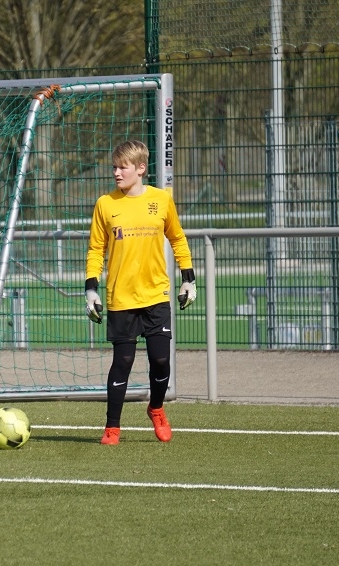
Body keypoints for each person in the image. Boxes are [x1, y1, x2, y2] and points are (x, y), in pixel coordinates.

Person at [84, 140, 196, 445]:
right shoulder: (105, 204)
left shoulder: (162, 200)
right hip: (121, 298)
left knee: (160, 360)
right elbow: (96, 249)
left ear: (141, 168)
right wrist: (91, 289)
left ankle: (156, 409)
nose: (116, 173)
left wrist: (188, 279)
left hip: (156, 296)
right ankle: (112, 427)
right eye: (114, 167)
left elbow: (178, 238)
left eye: (123, 167)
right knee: (123, 361)